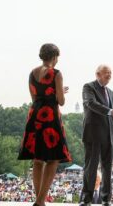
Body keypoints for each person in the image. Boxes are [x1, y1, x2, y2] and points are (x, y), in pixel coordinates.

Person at [18, 43, 72, 206]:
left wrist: (52, 93)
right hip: (50, 117)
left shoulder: (32, 73)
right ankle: (40, 201)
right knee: (53, 158)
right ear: (54, 57)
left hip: (35, 115)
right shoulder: (56, 73)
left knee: (37, 159)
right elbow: (61, 101)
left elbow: (34, 98)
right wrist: (60, 92)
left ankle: (39, 200)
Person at [80, 65, 113, 206]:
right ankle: (87, 199)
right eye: (106, 73)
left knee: (107, 168)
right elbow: (91, 103)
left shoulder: (111, 92)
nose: (109, 75)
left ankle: (106, 199)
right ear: (97, 74)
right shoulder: (88, 87)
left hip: (109, 134)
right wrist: (110, 111)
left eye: (110, 73)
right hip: (93, 134)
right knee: (91, 167)